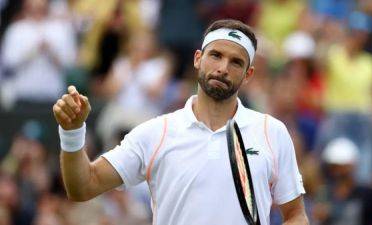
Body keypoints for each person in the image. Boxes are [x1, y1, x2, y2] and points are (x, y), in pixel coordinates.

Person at [52, 19, 308, 225]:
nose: (223, 67)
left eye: (236, 62)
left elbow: (295, 215)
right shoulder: (156, 132)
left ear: (248, 74)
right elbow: (83, 187)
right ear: (198, 59)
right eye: (216, 55)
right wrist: (72, 132)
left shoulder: (272, 132)